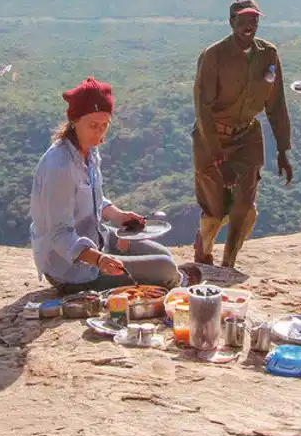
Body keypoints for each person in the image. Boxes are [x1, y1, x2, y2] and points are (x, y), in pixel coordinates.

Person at [30, 77, 201, 294]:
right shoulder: (59, 166)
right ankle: (176, 282)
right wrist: (99, 259)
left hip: (97, 237)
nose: (100, 133)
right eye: (93, 125)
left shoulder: (90, 150)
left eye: (105, 125)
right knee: (165, 267)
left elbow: (94, 200)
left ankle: (172, 277)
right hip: (71, 267)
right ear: (74, 121)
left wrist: (120, 216)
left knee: (164, 255)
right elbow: (59, 234)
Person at [191, 0, 294, 268]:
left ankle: (229, 263)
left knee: (244, 205)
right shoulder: (214, 56)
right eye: (243, 20)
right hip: (212, 137)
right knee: (215, 208)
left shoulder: (268, 54)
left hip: (247, 136)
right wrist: (218, 159)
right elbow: (203, 110)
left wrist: (283, 149)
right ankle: (205, 250)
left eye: (254, 19)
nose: (249, 25)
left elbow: (276, 103)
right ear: (231, 22)